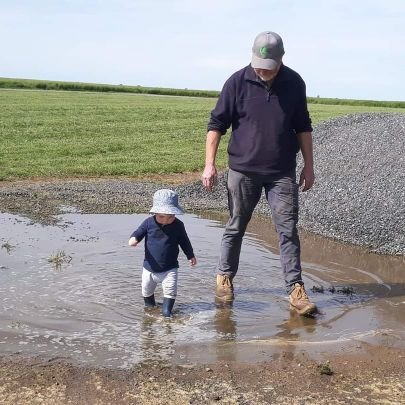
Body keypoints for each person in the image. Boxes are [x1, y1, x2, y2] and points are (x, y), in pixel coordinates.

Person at [202, 31, 317, 316]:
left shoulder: (294, 82)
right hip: (243, 171)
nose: (262, 70)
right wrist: (209, 163)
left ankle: (296, 290)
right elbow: (216, 124)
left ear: (281, 60)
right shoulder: (237, 82)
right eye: (258, 65)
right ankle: (224, 279)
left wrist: (309, 165)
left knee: (287, 230)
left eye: (268, 66)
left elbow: (303, 125)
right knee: (235, 226)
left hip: (281, 172)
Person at [128, 189, 197, 317]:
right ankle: (150, 311)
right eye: (161, 217)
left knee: (169, 296)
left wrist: (190, 255)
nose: (166, 220)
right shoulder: (148, 223)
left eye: (170, 217)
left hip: (170, 269)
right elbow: (139, 232)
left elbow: (184, 241)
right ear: (155, 212)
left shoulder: (178, 225)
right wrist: (134, 239)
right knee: (147, 295)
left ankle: (167, 316)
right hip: (149, 268)